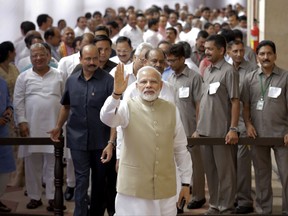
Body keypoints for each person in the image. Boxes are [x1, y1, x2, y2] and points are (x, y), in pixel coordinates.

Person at [100, 65, 192, 215]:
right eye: (143, 82)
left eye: (153, 82)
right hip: (134, 189)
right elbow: (107, 118)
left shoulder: (171, 109)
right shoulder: (125, 107)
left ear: (161, 85)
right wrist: (116, 94)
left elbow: (181, 149)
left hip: (165, 187)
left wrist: (186, 183)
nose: (148, 85)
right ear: (136, 86)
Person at [49, 44, 115, 216]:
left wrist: (111, 142)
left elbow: (115, 115)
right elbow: (66, 107)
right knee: (81, 180)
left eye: (95, 58)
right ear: (80, 60)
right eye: (88, 59)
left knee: (100, 182)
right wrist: (57, 127)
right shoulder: (72, 80)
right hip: (77, 138)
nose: (92, 62)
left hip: (101, 141)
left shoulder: (108, 81)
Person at [13, 43, 65, 212]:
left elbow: (66, 102)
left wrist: (62, 124)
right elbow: (18, 101)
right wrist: (21, 121)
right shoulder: (23, 77)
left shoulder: (59, 75)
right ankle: (34, 196)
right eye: (34, 55)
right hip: (31, 126)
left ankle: (52, 197)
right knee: (32, 163)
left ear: (48, 56)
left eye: (41, 54)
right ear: (30, 57)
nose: (38, 58)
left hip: (54, 125)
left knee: (53, 163)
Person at [194, 34, 240, 214]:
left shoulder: (229, 71)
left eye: (210, 49)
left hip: (222, 132)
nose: (206, 52)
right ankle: (214, 204)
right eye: (205, 49)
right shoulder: (207, 70)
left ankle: (227, 206)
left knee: (225, 173)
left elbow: (235, 101)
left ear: (222, 50)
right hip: (205, 131)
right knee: (211, 172)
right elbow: (203, 102)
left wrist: (233, 129)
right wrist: (198, 128)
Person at [242, 40, 288, 215]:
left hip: (282, 136)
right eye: (262, 54)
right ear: (257, 57)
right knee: (262, 176)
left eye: (269, 53)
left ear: (275, 56)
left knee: (286, 175)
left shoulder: (285, 77)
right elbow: (245, 105)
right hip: (257, 135)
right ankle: (264, 210)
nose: (265, 57)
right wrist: (248, 124)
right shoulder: (249, 78)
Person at [166, 43, 206, 210]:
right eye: (168, 61)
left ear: (183, 59)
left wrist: (198, 128)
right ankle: (179, 199)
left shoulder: (194, 77)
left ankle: (198, 196)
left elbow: (199, 105)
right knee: (177, 166)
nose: (170, 64)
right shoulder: (169, 79)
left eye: (173, 60)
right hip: (174, 131)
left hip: (190, 130)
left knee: (195, 165)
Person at [227, 40, 258, 214]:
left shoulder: (252, 69)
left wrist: (249, 122)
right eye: (235, 51)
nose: (239, 54)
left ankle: (245, 200)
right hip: (229, 124)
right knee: (230, 165)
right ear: (229, 52)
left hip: (245, 122)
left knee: (243, 163)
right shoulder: (226, 69)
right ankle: (231, 198)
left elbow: (251, 98)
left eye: (241, 51)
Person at [0, 41, 22, 187]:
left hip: (12, 110)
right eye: (13, 51)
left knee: (14, 147)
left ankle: (14, 179)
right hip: (1, 114)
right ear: (9, 52)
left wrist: (10, 108)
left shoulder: (13, 68)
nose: (15, 53)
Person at [0, 77, 15, 213]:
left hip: (3, 132)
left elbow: (9, 102)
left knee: (4, 170)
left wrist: (10, 110)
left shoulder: (3, 82)